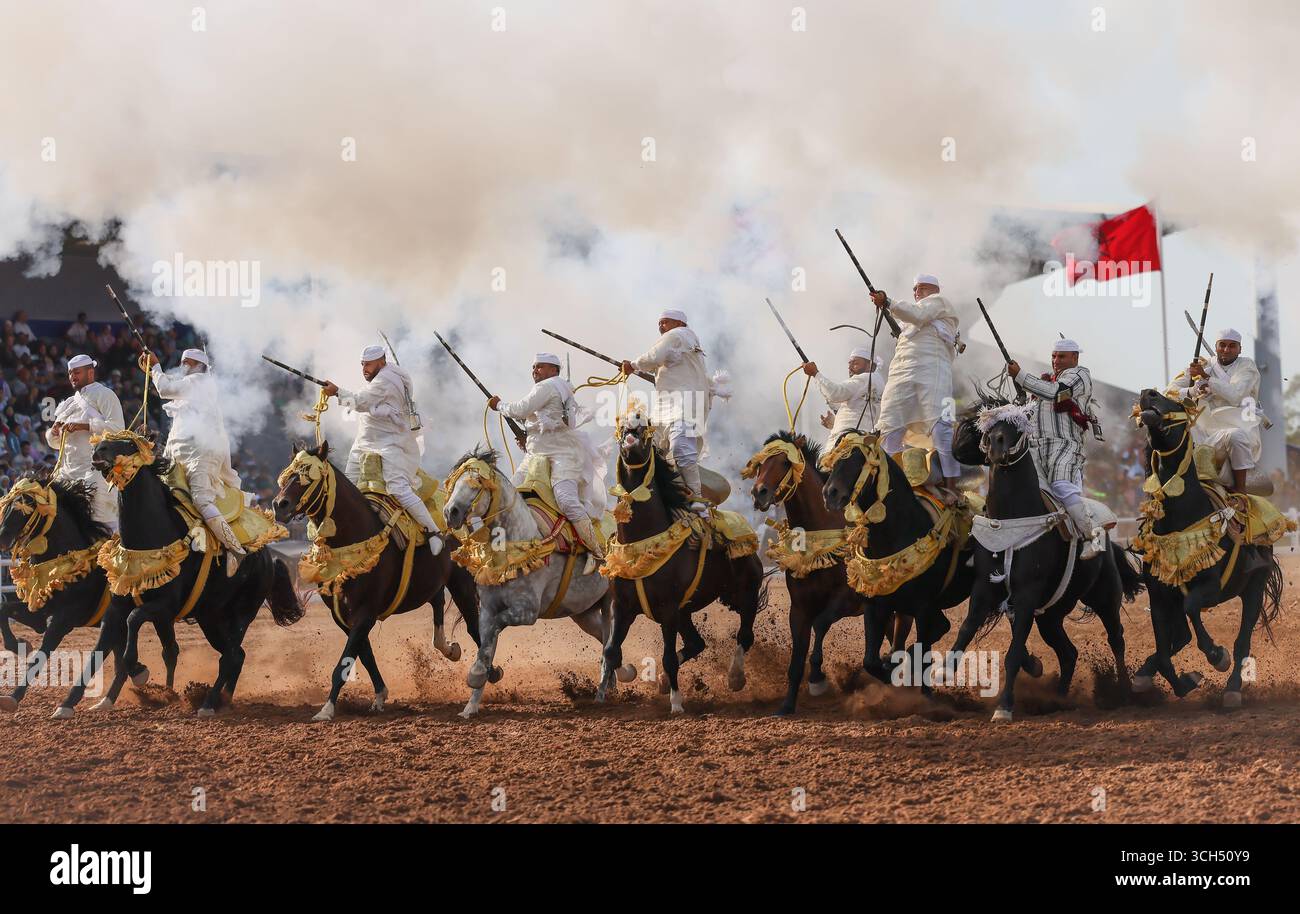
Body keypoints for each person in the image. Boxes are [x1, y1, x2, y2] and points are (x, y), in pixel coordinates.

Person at [322, 345, 443, 555]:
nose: (364, 369)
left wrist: (336, 393)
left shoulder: (386, 380)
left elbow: (360, 401)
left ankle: (433, 532)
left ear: (382, 361)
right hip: (365, 441)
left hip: (391, 442)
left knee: (398, 488)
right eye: (362, 365)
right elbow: (367, 402)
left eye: (368, 364)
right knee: (348, 484)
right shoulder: (389, 373)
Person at [489, 353, 607, 558]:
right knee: (508, 495)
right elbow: (546, 424)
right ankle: (500, 551)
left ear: (554, 370)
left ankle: (596, 551)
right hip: (536, 454)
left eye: (540, 366)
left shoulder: (547, 386)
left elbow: (519, 410)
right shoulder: (560, 387)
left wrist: (499, 405)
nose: (535, 371)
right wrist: (528, 439)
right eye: (534, 367)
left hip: (562, 454)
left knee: (566, 500)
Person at [147, 347, 246, 573]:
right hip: (180, 454)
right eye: (182, 362)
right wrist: (151, 371)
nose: (183, 366)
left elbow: (164, 388)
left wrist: (154, 366)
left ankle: (236, 550)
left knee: (202, 500)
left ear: (199, 366)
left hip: (202, 452)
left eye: (187, 363)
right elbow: (168, 382)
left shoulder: (199, 382)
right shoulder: (191, 386)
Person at [870, 273, 962, 502]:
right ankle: (892, 485)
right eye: (914, 288)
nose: (916, 292)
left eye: (920, 287)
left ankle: (952, 486)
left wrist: (888, 302)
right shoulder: (910, 317)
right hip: (901, 373)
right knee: (890, 429)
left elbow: (918, 314)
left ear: (933, 288)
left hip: (932, 371)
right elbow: (913, 318)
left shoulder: (939, 302)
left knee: (941, 428)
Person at [1008, 339, 1101, 557]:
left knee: (1061, 486)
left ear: (1075, 358)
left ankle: (1093, 538)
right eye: (1053, 356)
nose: (1055, 361)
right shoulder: (1045, 381)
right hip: (1035, 447)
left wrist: (1021, 376)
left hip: (1065, 445)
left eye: (1061, 357)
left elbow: (1057, 393)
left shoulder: (1080, 376)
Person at [621, 309, 712, 506]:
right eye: (660, 323)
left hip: (684, 404)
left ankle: (697, 498)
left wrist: (633, 365)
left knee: (680, 446)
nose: (661, 326)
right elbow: (666, 366)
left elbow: (654, 356)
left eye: (666, 322)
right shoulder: (684, 342)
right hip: (667, 405)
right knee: (651, 448)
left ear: (680, 323)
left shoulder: (677, 335)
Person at [1168, 328, 1261, 494]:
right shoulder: (1203, 364)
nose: (1226, 349)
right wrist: (1191, 391)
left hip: (1236, 427)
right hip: (1204, 431)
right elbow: (1168, 392)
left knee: (1235, 436)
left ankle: (1240, 492)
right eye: (1222, 345)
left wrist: (1207, 379)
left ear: (1240, 349)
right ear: (1216, 346)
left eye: (1232, 346)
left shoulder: (1247, 366)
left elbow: (1235, 395)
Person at [45, 354, 125, 530]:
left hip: (94, 470)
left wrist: (85, 426)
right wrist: (54, 432)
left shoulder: (105, 395)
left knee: (100, 521)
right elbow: (55, 443)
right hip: (66, 471)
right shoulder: (67, 404)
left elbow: (118, 430)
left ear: (90, 372)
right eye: (70, 373)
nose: (72, 376)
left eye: (77, 372)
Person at [802, 347, 882, 442]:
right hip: (859, 438)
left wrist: (816, 373)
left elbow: (835, 393)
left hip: (851, 440)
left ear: (870, 365)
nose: (850, 367)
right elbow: (858, 412)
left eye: (855, 363)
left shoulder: (866, 378)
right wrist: (834, 423)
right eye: (849, 363)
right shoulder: (875, 381)